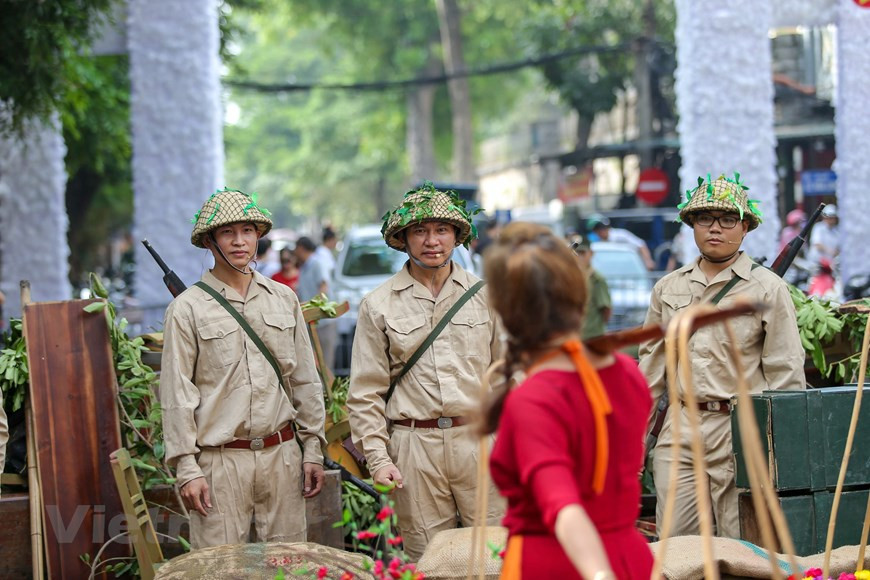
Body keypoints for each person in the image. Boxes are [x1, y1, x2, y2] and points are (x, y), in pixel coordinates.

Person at [638, 173, 806, 539]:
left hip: (740, 429)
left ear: (745, 227)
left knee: (741, 544)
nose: (715, 229)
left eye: (728, 219)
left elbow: (786, 374)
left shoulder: (768, 289)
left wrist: (776, 449)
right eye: (704, 219)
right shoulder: (669, 287)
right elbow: (650, 374)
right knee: (675, 547)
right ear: (691, 226)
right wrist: (637, 442)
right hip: (679, 429)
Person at [483, 222, 653, 580]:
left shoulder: (533, 398)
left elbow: (562, 505)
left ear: (507, 311)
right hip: (630, 558)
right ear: (579, 294)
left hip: (562, 566)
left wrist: (598, 574)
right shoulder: (627, 371)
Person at [160, 187, 327, 549]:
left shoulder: (284, 298)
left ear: (258, 236)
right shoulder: (187, 309)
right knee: (221, 569)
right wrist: (187, 467)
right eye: (227, 233)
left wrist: (312, 447)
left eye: (248, 231)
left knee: (287, 566)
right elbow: (176, 394)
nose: (239, 242)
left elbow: (305, 381)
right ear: (209, 241)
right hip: (220, 464)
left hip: (283, 458)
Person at [346, 184, 505, 560]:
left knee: (497, 555)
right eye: (420, 231)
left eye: (441, 230)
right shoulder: (378, 305)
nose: (431, 241)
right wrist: (379, 457)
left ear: (457, 236)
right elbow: (365, 391)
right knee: (428, 559)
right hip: (414, 449)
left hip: (480, 441)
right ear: (403, 239)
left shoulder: (489, 296)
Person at [295, 236, 338, 372]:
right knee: (316, 365)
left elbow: (323, 287)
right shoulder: (304, 266)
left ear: (301, 249)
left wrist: (313, 305)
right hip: (312, 322)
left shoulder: (317, 263)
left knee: (325, 364)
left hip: (324, 322)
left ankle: (328, 393)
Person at [571, 235, 612, 340]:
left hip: (592, 336)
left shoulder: (596, 278)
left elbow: (606, 309)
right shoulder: (570, 278)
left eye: (582, 253)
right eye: (576, 253)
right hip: (574, 336)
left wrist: (597, 330)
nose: (579, 257)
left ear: (591, 254)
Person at [587, 214, 656, 271]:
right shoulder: (596, 243)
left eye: (602, 228)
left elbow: (640, 245)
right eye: (597, 230)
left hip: (630, 268)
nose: (600, 231)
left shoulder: (621, 235)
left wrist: (648, 261)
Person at [808, 204, 840, 268]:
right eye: (830, 217)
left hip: (830, 265)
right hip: (817, 264)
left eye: (833, 217)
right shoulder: (818, 227)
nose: (832, 220)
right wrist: (831, 252)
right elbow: (817, 244)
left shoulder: (837, 230)